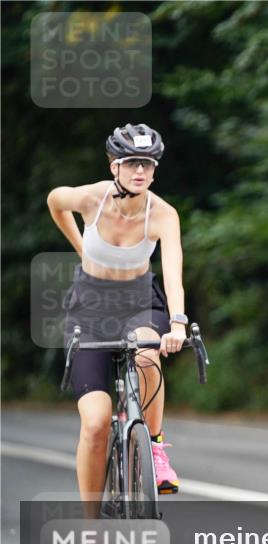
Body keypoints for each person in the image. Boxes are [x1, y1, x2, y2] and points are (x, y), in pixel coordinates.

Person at [47, 123, 188, 506]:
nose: (140, 171)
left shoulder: (163, 214)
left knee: (146, 351)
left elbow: (173, 275)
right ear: (115, 167)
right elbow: (55, 201)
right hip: (89, 309)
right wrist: (81, 245)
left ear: (155, 170)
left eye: (148, 164)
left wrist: (177, 322)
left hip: (141, 303)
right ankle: (91, 526)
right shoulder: (91, 199)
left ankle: (155, 448)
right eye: (131, 163)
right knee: (95, 423)